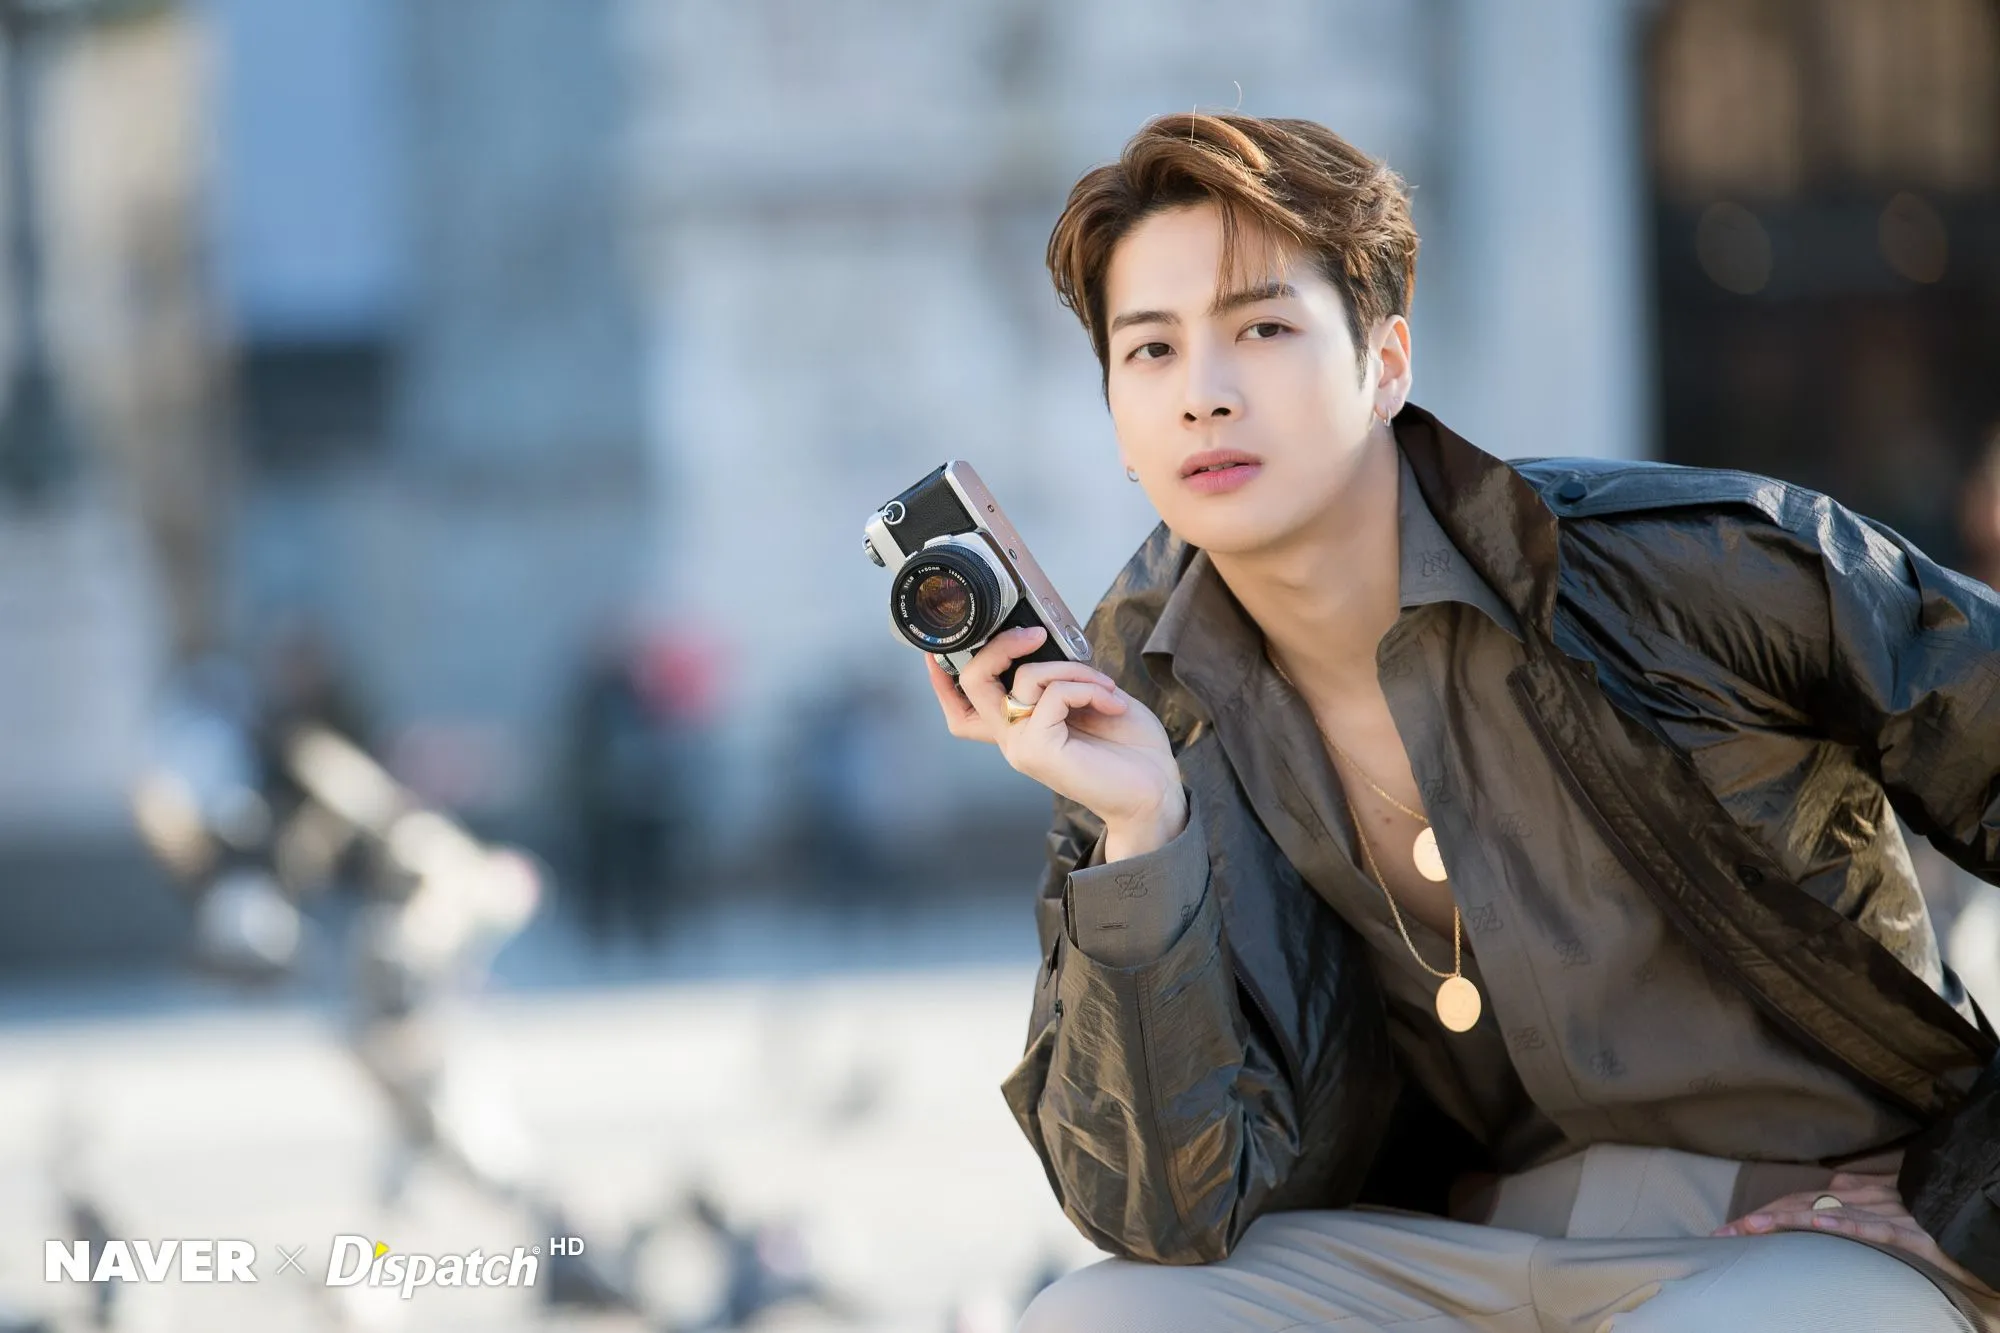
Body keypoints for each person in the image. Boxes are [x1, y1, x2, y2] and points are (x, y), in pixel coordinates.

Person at [922, 114, 2000, 1331]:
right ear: (1116, 415)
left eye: (1261, 329)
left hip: (1782, 1243)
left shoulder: (1681, 574)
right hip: (1440, 1256)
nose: (1202, 396)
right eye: (1151, 351)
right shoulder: (1137, 702)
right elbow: (1165, 1214)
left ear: (1384, 363)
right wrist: (1139, 834)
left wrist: (1976, 1194)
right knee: (1097, 1317)